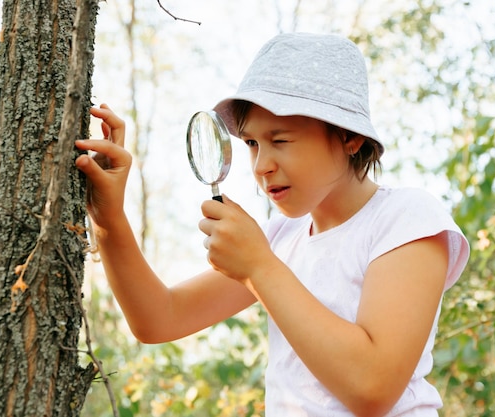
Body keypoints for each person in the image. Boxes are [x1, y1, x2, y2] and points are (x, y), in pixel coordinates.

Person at [75, 32, 470, 417]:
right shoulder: (281, 239)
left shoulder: (406, 218)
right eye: (251, 144)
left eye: (280, 141)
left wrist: (259, 266)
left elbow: (372, 390)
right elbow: (158, 319)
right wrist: (108, 217)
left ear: (349, 138)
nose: (262, 165)